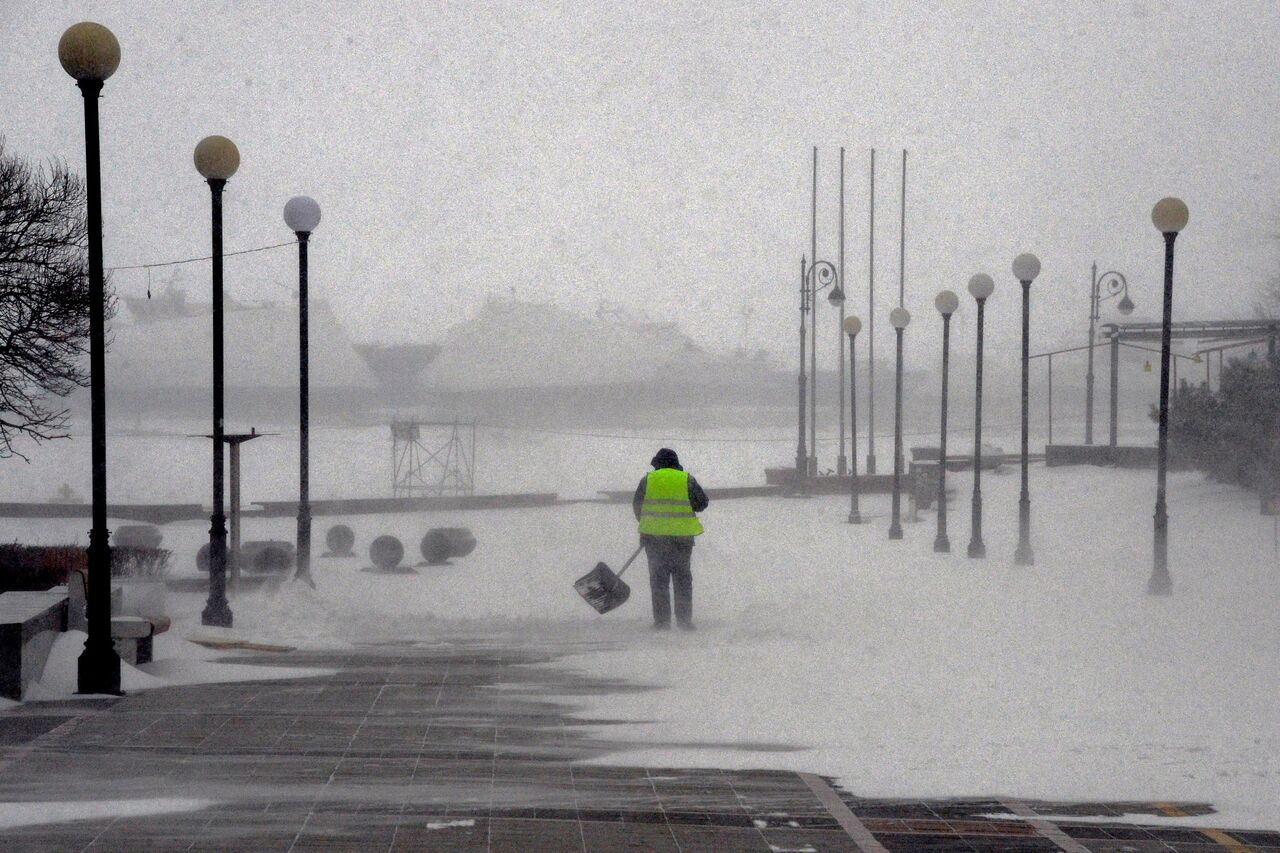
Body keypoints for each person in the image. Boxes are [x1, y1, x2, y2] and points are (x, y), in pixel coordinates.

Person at [632, 448, 708, 630]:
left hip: (654, 540)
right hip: (682, 540)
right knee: (682, 580)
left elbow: (637, 506)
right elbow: (702, 503)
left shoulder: (647, 480)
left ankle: (661, 623)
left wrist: (650, 525)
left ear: (657, 463)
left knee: (659, 581)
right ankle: (684, 622)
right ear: (676, 463)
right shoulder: (686, 479)